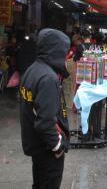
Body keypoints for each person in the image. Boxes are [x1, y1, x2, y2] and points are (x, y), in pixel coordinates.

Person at [19, 28, 71, 189]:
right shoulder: (48, 78)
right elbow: (45, 123)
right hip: (47, 149)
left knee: (39, 183)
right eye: (64, 51)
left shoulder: (32, 70)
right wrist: (57, 146)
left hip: (34, 144)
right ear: (55, 50)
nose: (66, 56)